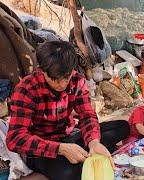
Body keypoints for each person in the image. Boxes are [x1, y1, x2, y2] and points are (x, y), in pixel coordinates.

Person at [6, 41, 130, 180]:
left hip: (69, 137)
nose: (62, 84)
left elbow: (87, 116)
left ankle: (89, 152)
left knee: (122, 127)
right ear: (43, 71)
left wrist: (93, 142)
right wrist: (61, 149)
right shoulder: (26, 89)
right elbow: (15, 139)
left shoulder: (77, 81)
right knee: (69, 174)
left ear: (72, 70)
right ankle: (81, 159)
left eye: (66, 77)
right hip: (42, 149)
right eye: (54, 79)